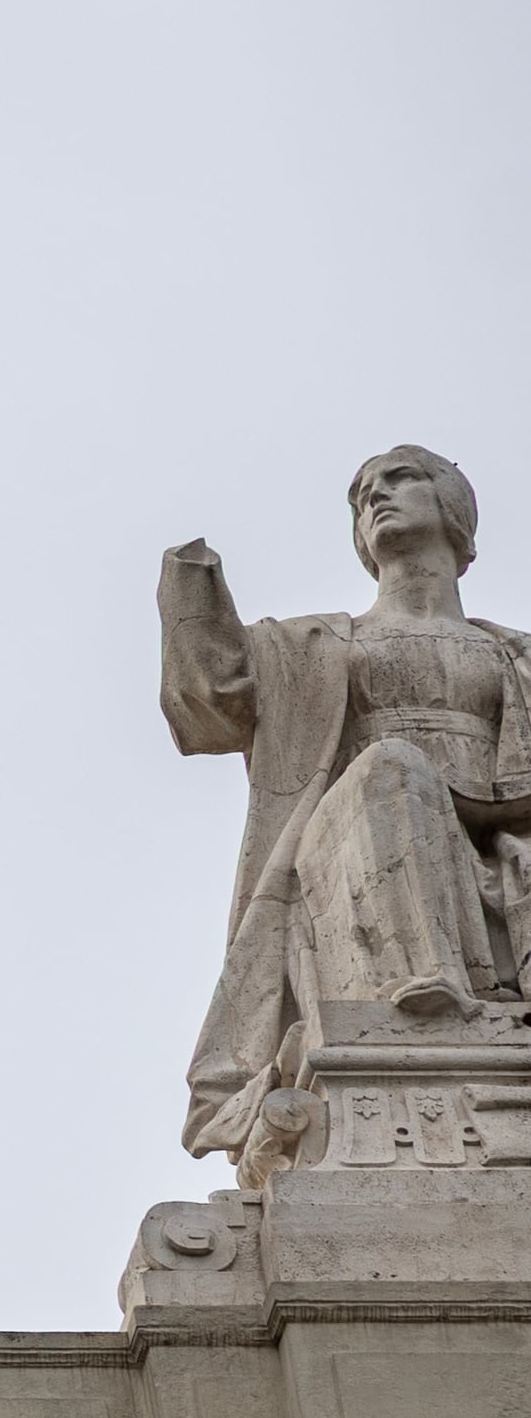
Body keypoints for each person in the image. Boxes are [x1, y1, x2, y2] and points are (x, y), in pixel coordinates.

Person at [166, 446, 531, 1182]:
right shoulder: (314, 645)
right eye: (364, 492)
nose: (377, 496)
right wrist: (190, 586)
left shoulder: (512, 655)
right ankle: (419, 994)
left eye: (402, 479)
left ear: (455, 511)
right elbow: (209, 699)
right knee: (392, 769)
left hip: (497, 839)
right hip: (357, 839)